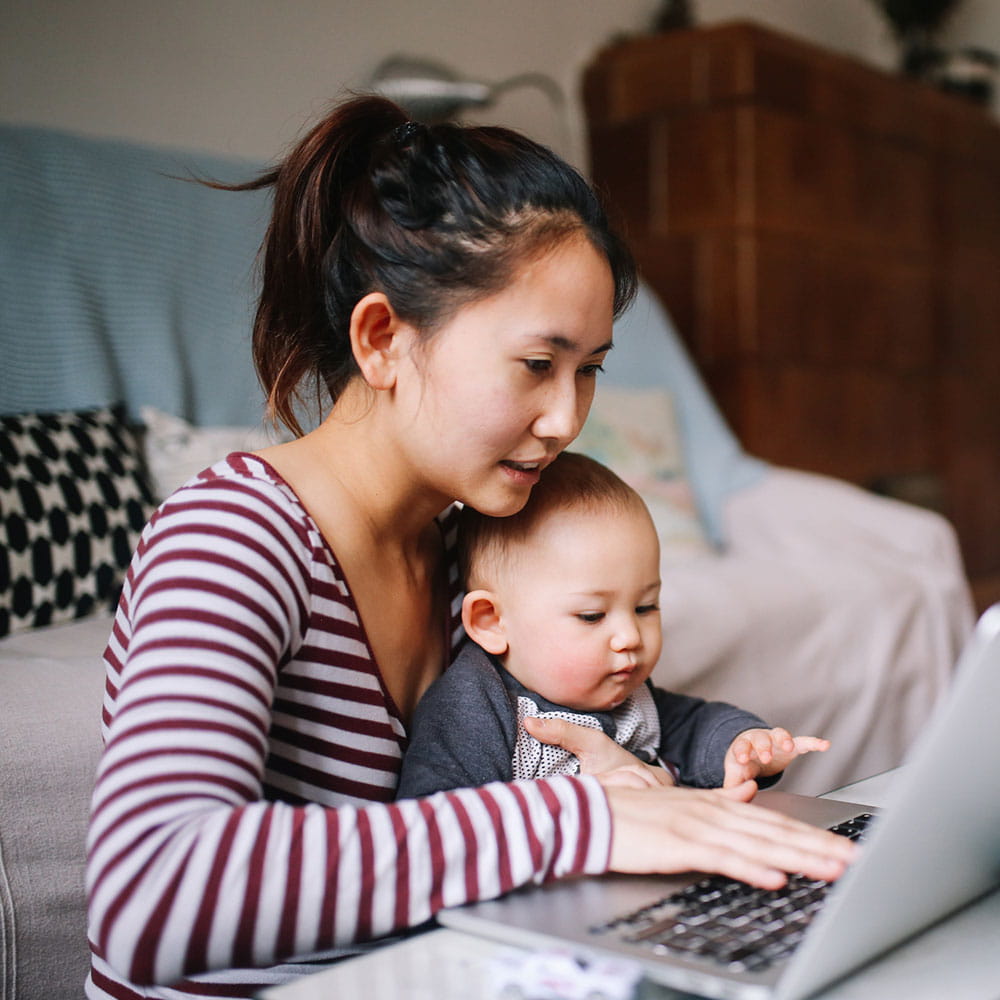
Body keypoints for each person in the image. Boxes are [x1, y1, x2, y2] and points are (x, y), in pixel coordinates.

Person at [85, 95, 855, 1000]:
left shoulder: (474, 553)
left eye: (591, 370)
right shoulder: (233, 540)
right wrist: (575, 819)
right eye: (538, 364)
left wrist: (636, 779)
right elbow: (149, 896)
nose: (568, 419)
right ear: (381, 339)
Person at [398, 452, 829, 799]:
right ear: (491, 622)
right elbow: (440, 823)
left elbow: (693, 725)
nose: (629, 637)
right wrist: (579, 803)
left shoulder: (628, 694)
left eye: (646, 607)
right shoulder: (474, 707)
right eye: (592, 616)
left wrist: (743, 745)